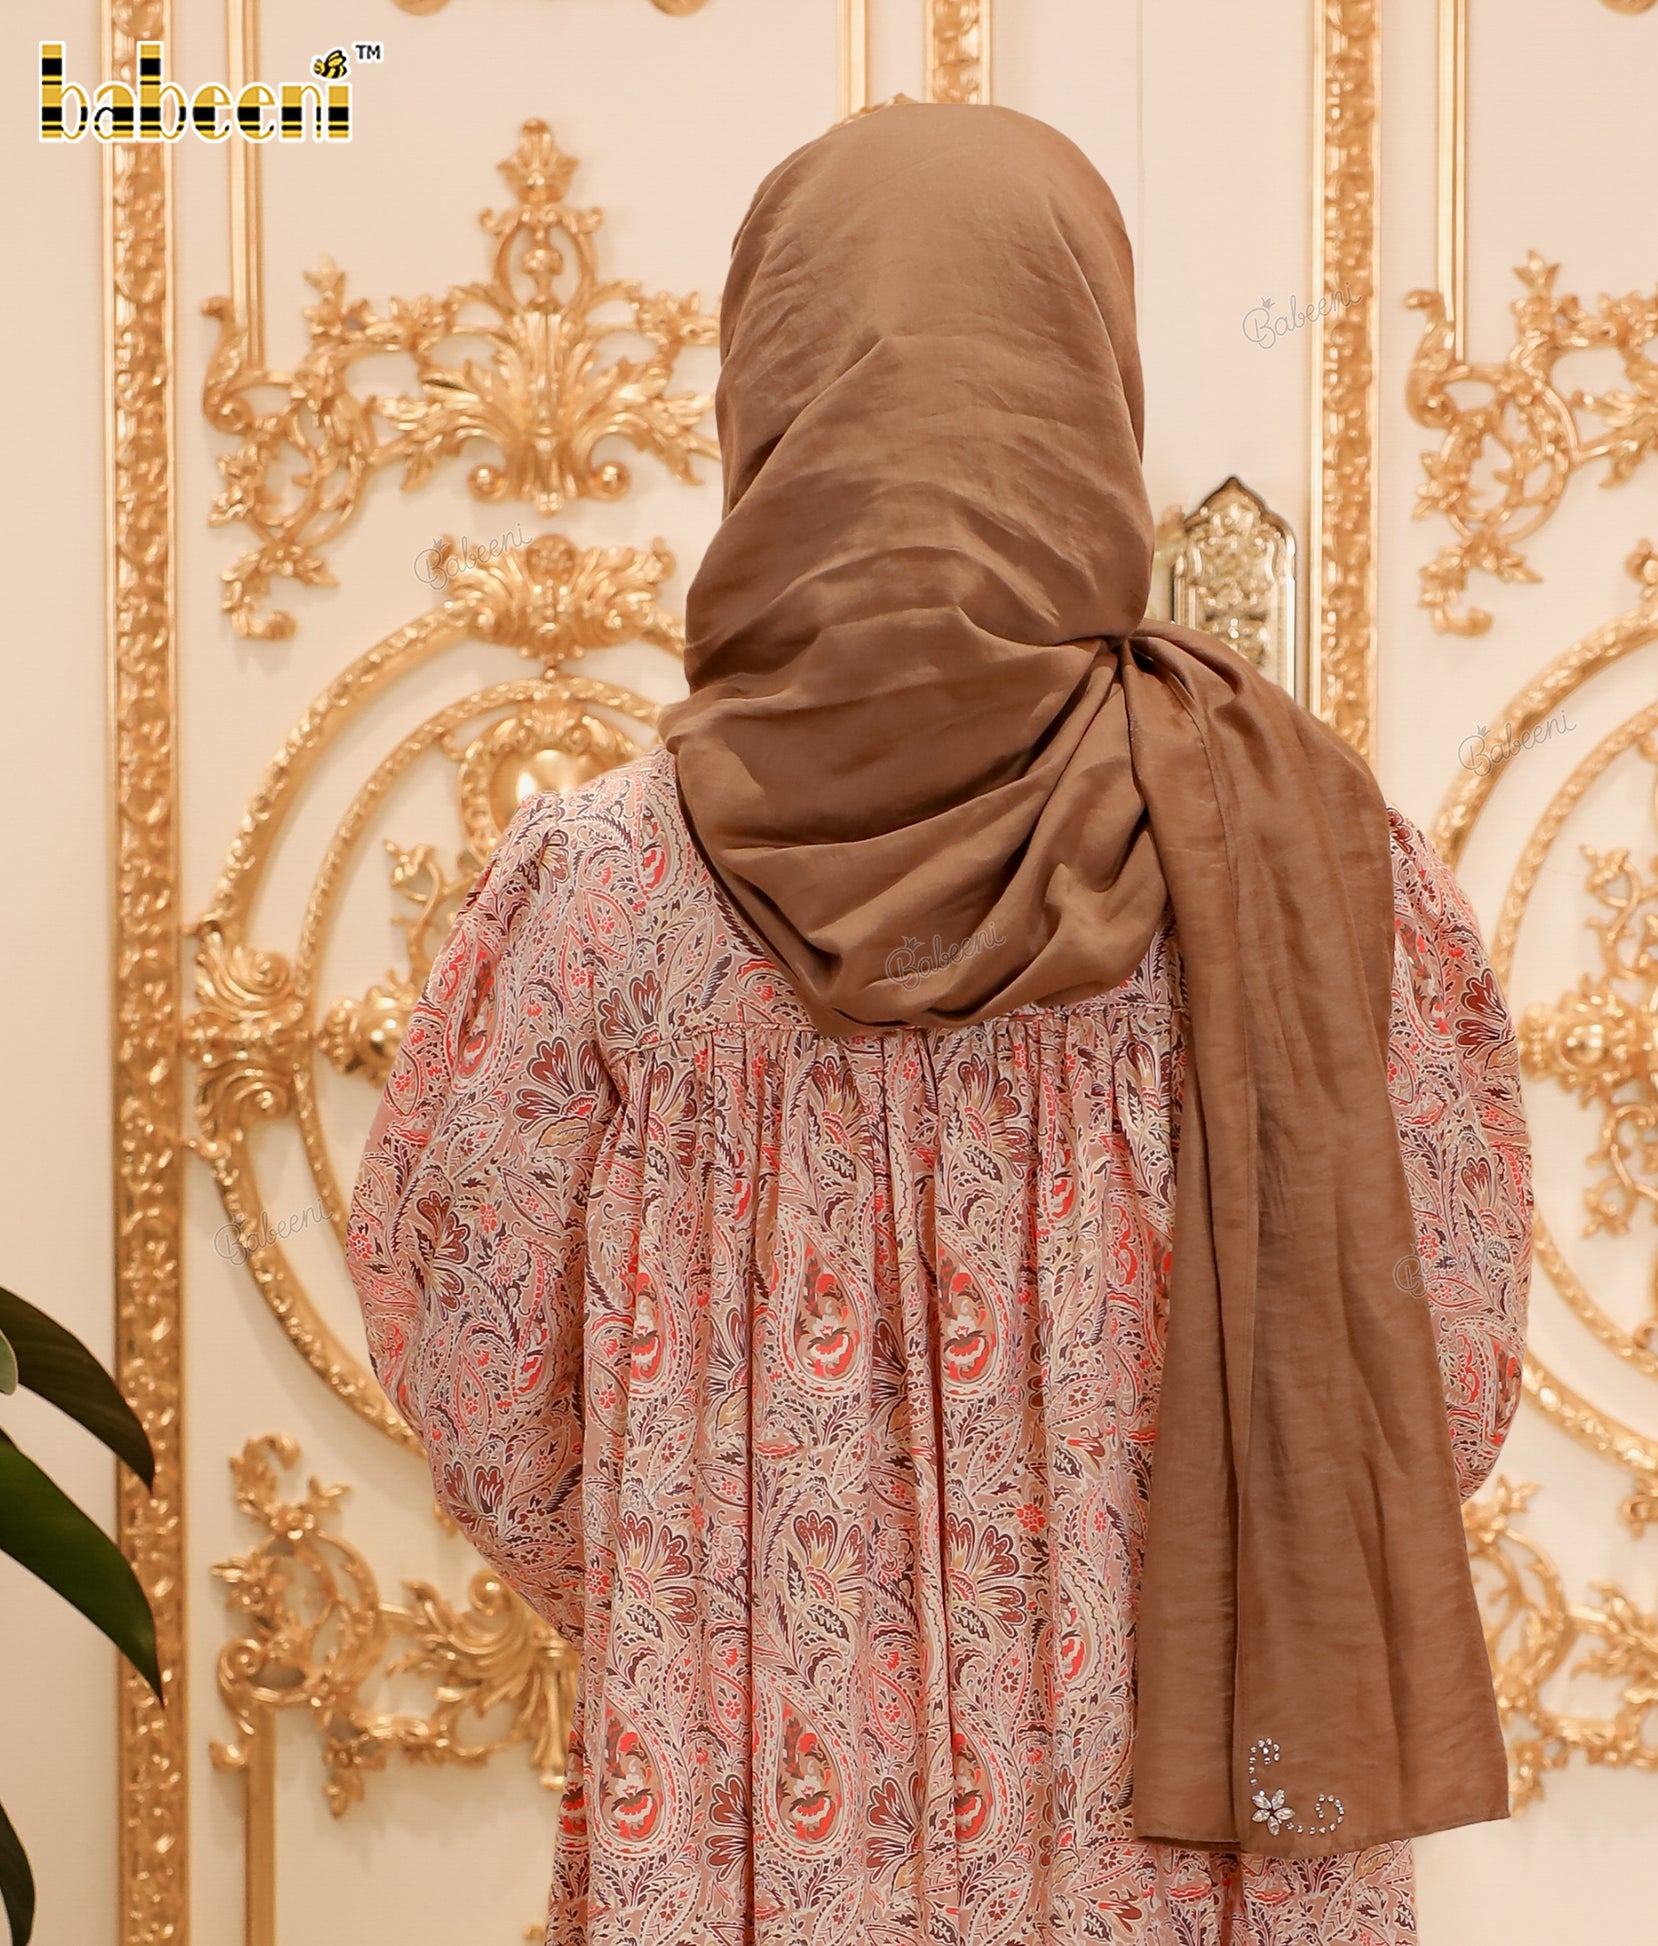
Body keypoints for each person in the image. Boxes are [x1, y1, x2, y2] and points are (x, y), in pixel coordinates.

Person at [347, 99, 1532, 1946]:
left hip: (749, 1800)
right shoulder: (1303, 852)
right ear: (1085, 388)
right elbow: (1432, 1365)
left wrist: (717, 1581)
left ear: (770, 400)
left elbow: (475, 1360)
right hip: (1192, 1818)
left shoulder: (599, 890)